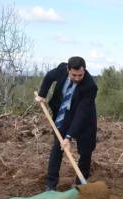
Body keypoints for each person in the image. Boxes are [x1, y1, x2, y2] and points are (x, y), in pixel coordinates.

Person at [35, 56, 98, 191]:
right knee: (57, 147)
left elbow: (81, 113)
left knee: (86, 151)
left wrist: (69, 137)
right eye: (73, 75)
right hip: (64, 114)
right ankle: (51, 185)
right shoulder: (61, 70)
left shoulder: (90, 86)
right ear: (68, 70)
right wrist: (42, 94)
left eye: (80, 75)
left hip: (85, 119)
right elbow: (48, 77)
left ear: (84, 70)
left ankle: (81, 184)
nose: (76, 78)